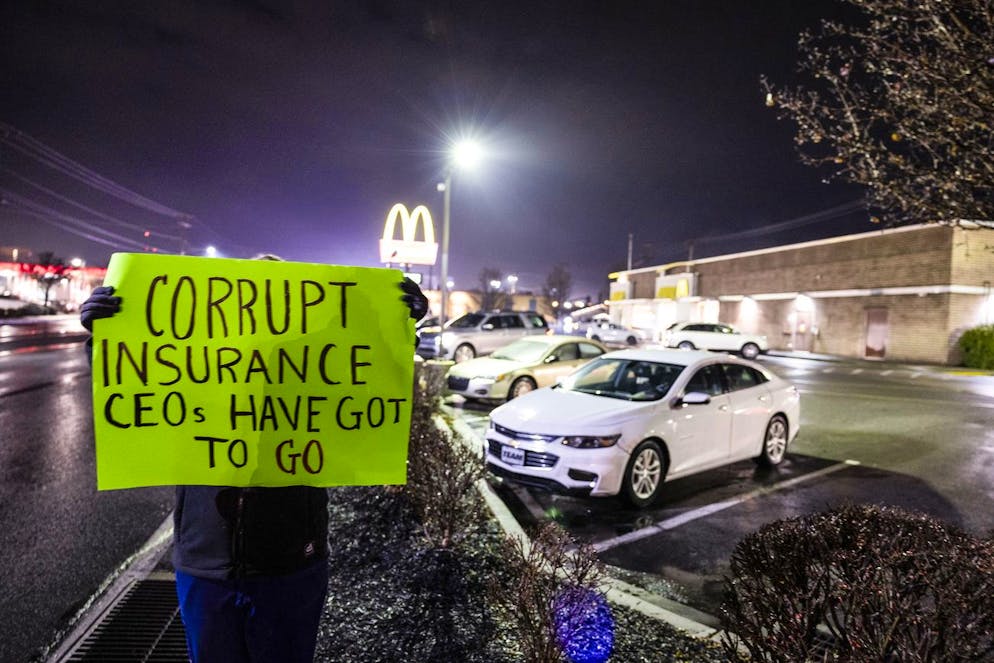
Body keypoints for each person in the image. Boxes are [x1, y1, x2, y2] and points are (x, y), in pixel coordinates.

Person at [80, 266, 428, 663]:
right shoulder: (202, 367)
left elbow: (370, 378)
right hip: (205, 565)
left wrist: (398, 325)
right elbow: (139, 382)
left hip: (290, 566)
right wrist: (105, 337)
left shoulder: (311, 369)